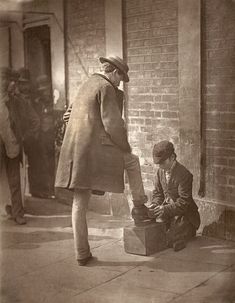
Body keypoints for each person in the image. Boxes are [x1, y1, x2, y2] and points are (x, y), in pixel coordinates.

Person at [55, 55, 154, 266]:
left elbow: (68, 113)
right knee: (133, 161)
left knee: (79, 203)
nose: (120, 82)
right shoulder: (107, 88)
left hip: (76, 153)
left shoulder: (86, 84)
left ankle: (82, 254)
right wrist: (125, 146)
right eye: (121, 77)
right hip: (94, 152)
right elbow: (112, 125)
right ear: (114, 72)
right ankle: (139, 206)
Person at [148, 140, 201, 251]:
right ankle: (175, 235)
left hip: (185, 215)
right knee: (155, 233)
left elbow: (184, 202)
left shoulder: (184, 174)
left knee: (169, 238)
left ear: (172, 157)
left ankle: (186, 233)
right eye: (158, 164)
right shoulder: (160, 172)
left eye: (162, 162)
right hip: (169, 213)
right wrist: (155, 204)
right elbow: (158, 193)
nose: (160, 166)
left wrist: (165, 209)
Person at [0, 68, 26, 224]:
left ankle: (18, 213)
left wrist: (20, 137)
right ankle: (8, 209)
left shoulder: (14, 101)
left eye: (14, 81)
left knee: (14, 180)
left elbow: (22, 121)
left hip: (12, 145)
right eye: (10, 81)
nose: (13, 84)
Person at [30, 74, 55, 198]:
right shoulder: (37, 102)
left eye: (45, 89)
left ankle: (50, 188)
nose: (44, 92)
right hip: (41, 135)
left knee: (49, 162)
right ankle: (44, 189)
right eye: (42, 90)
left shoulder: (52, 101)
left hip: (49, 134)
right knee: (42, 162)